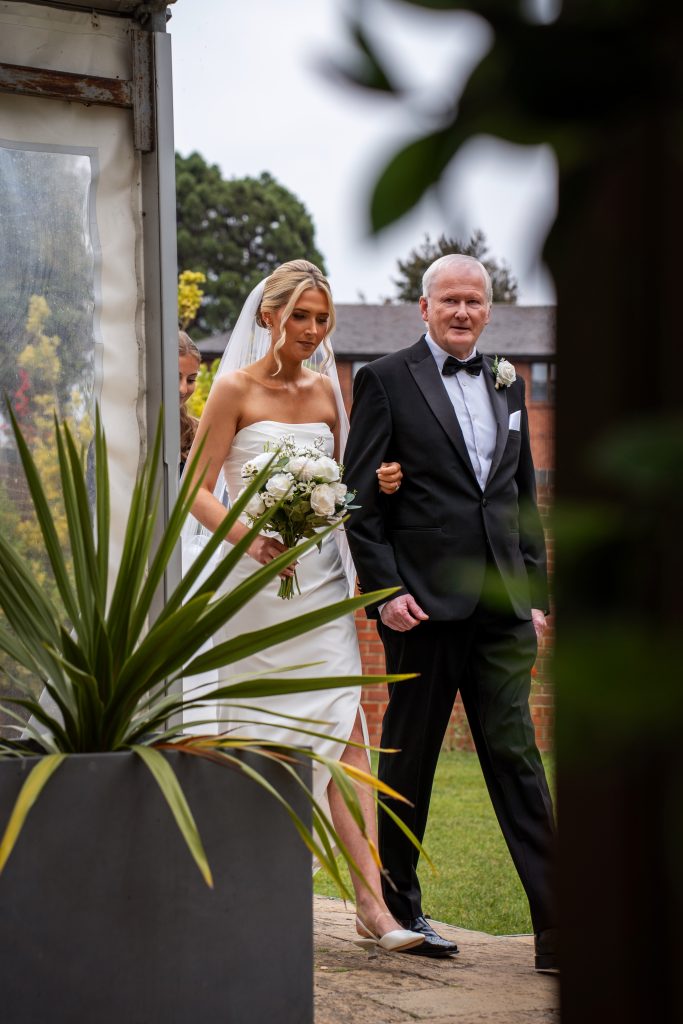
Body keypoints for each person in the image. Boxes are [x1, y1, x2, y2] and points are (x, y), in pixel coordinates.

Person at [183, 259, 420, 953]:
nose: (312, 331)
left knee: (348, 740)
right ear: (269, 317)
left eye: (321, 320)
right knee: (248, 737)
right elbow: (197, 490)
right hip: (251, 590)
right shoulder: (230, 389)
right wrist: (246, 539)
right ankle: (236, 893)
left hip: (318, 591)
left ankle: (373, 908)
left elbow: (344, 490)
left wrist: (379, 478)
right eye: (301, 318)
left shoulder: (326, 391)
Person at [342, 254, 557, 970]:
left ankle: (558, 929)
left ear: (488, 310)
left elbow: (520, 502)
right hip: (421, 611)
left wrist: (533, 600)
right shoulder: (382, 379)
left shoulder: (509, 382)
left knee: (517, 757)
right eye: (450, 300)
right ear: (424, 308)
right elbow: (360, 504)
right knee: (409, 758)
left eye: (474, 300)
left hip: (500, 608)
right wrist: (385, 591)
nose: (462, 311)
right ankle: (400, 911)